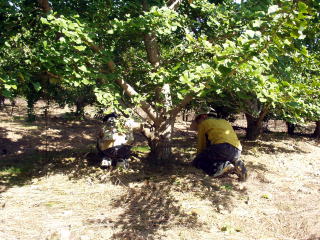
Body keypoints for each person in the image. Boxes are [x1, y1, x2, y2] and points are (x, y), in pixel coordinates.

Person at [190, 113, 247, 181]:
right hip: (237, 150)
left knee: (199, 161)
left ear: (203, 116)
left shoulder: (204, 123)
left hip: (222, 148)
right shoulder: (224, 121)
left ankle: (225, 167)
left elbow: (201, 144)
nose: (198, 124)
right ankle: (235, 162)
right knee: (216, 155)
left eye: (197, 121)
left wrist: (198, 158)